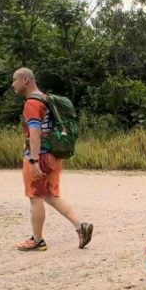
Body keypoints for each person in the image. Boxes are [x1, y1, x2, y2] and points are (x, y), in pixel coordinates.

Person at [10, 68, 93, 252]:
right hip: (53, 155)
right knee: (50, 196)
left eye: (14, 80)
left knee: (35, 197)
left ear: (25, 80)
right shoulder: (45, 99)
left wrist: (33, 160)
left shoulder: (32, 103)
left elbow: (35, 133)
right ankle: (81, 227)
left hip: (41, 156)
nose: (12, 84)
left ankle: (37, 240)